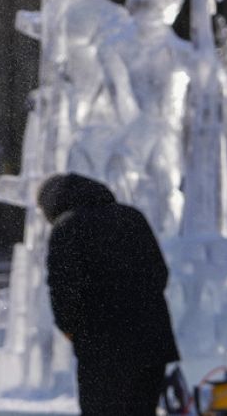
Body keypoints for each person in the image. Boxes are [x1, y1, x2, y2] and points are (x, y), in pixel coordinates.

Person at [38, 173, 179, 416]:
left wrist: (70, 328)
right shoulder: (132, 217)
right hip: (151, 340)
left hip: (101, 346)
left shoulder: (67, 227)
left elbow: (63, 288)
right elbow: (160, 273)